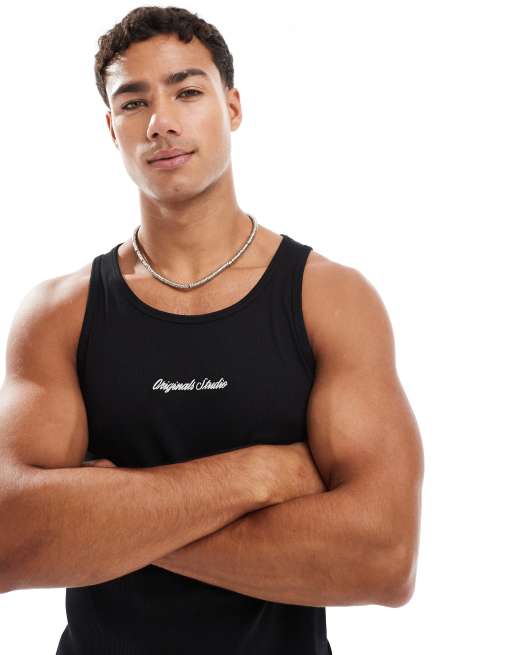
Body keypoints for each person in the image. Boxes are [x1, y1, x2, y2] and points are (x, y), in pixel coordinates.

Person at [0, 6, 424, 655]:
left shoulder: (329, 299)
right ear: (111, 128)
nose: (160, 122)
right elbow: (9, 539)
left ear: (232, 107)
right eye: (133, 102)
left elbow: (385, 559)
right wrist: (259, 475)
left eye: (187, 92)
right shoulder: (60, 313)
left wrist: (108, 520)